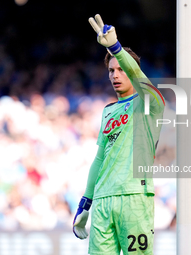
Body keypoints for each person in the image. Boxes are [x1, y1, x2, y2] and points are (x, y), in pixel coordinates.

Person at [72, 14, 165, 255]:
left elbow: (143, 82)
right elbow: (100, 158)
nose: (115, 74)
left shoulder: (149, 104)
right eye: (111, 70)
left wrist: (116, 48)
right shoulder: (108, 112)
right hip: (103, 200)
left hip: (134, 196)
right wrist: (86, 201)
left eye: (121, 69)